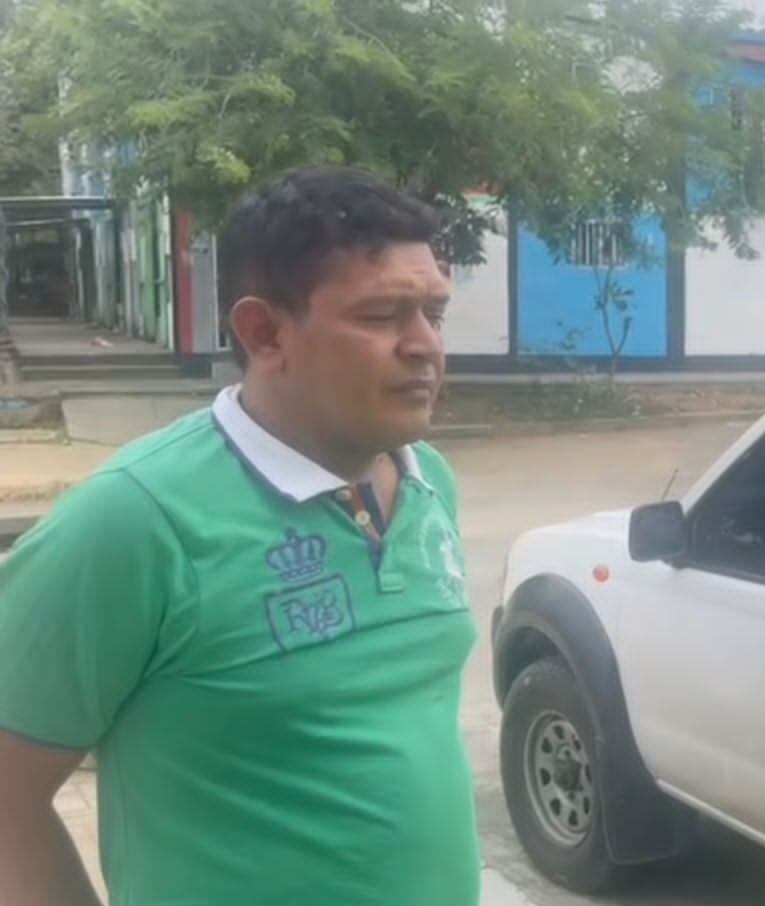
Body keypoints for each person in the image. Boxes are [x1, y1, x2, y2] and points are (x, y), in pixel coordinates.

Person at [0, 167, 478, 905]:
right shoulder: (135, 521)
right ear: (265, 331)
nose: (424, 347)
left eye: (435, 315)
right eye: (384, 315)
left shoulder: (427, 483)